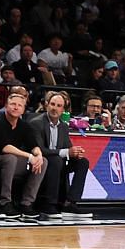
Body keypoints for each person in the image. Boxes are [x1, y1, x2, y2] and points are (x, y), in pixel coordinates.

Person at [0, 87, 47, 220]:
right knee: (11, 158)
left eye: (20, 105)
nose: (16, 107)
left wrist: (38, 155)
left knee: (44, 161)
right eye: (13, 104)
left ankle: (26, 203)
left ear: (24, 109)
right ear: (6, 105)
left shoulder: (24, 125)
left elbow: (33, 145)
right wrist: (29, 156)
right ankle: (5, 202)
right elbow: (5, 147)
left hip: (12, 163)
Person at [32, 89, 91, 220]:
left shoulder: (63, 126)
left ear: (63, 110)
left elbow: (68, 147)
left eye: (59, 106)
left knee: (83, 162)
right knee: (56, 160)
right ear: (47, 105)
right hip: (42, 161)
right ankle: (49, 204)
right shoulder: (36, 123)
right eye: (53, 104)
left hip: (57, 162)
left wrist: (75, 153)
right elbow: (40, 149)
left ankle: (70, 202)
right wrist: (66, 152)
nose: (55, 108)